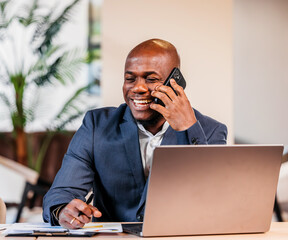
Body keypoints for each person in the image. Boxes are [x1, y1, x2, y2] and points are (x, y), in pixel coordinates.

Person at [42, 39, 227, 229]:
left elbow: (215, 199)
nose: (138, 88)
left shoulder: (210, 131)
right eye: (130, 79)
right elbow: (61, 192)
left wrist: (188, 128)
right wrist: (63, 210)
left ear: (175, 83)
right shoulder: (97, 125)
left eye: (151, 79)